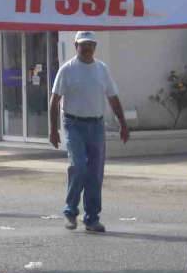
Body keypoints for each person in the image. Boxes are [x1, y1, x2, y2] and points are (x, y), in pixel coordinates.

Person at [49, 31, 129, 233]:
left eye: (90, 45)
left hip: (96, 125)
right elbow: (54, 100)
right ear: (76, 45)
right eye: (83, 45)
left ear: (95, 47)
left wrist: (123, 123)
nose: (86, 49)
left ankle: (92, 218)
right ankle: (70, 210)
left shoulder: (102, 69)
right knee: (78, 167)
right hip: (73, 124)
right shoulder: (67, 70)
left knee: (95, 173)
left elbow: (113, 97)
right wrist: (53, 130)